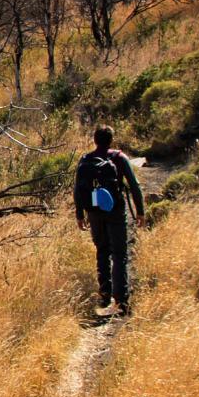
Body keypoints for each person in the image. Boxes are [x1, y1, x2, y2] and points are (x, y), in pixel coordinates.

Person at [74, 126, 148, 317]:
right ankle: (121, 300)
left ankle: (104, 294)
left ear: (94, 139)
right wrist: (140, 211)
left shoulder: (85, 160)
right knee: (119, 254)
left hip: (94, 211)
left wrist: (79, 214)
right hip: (115, 210)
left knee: (102, 251)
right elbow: (134, 185)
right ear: (111, 139)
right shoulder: (119, 158)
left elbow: (77, 189)